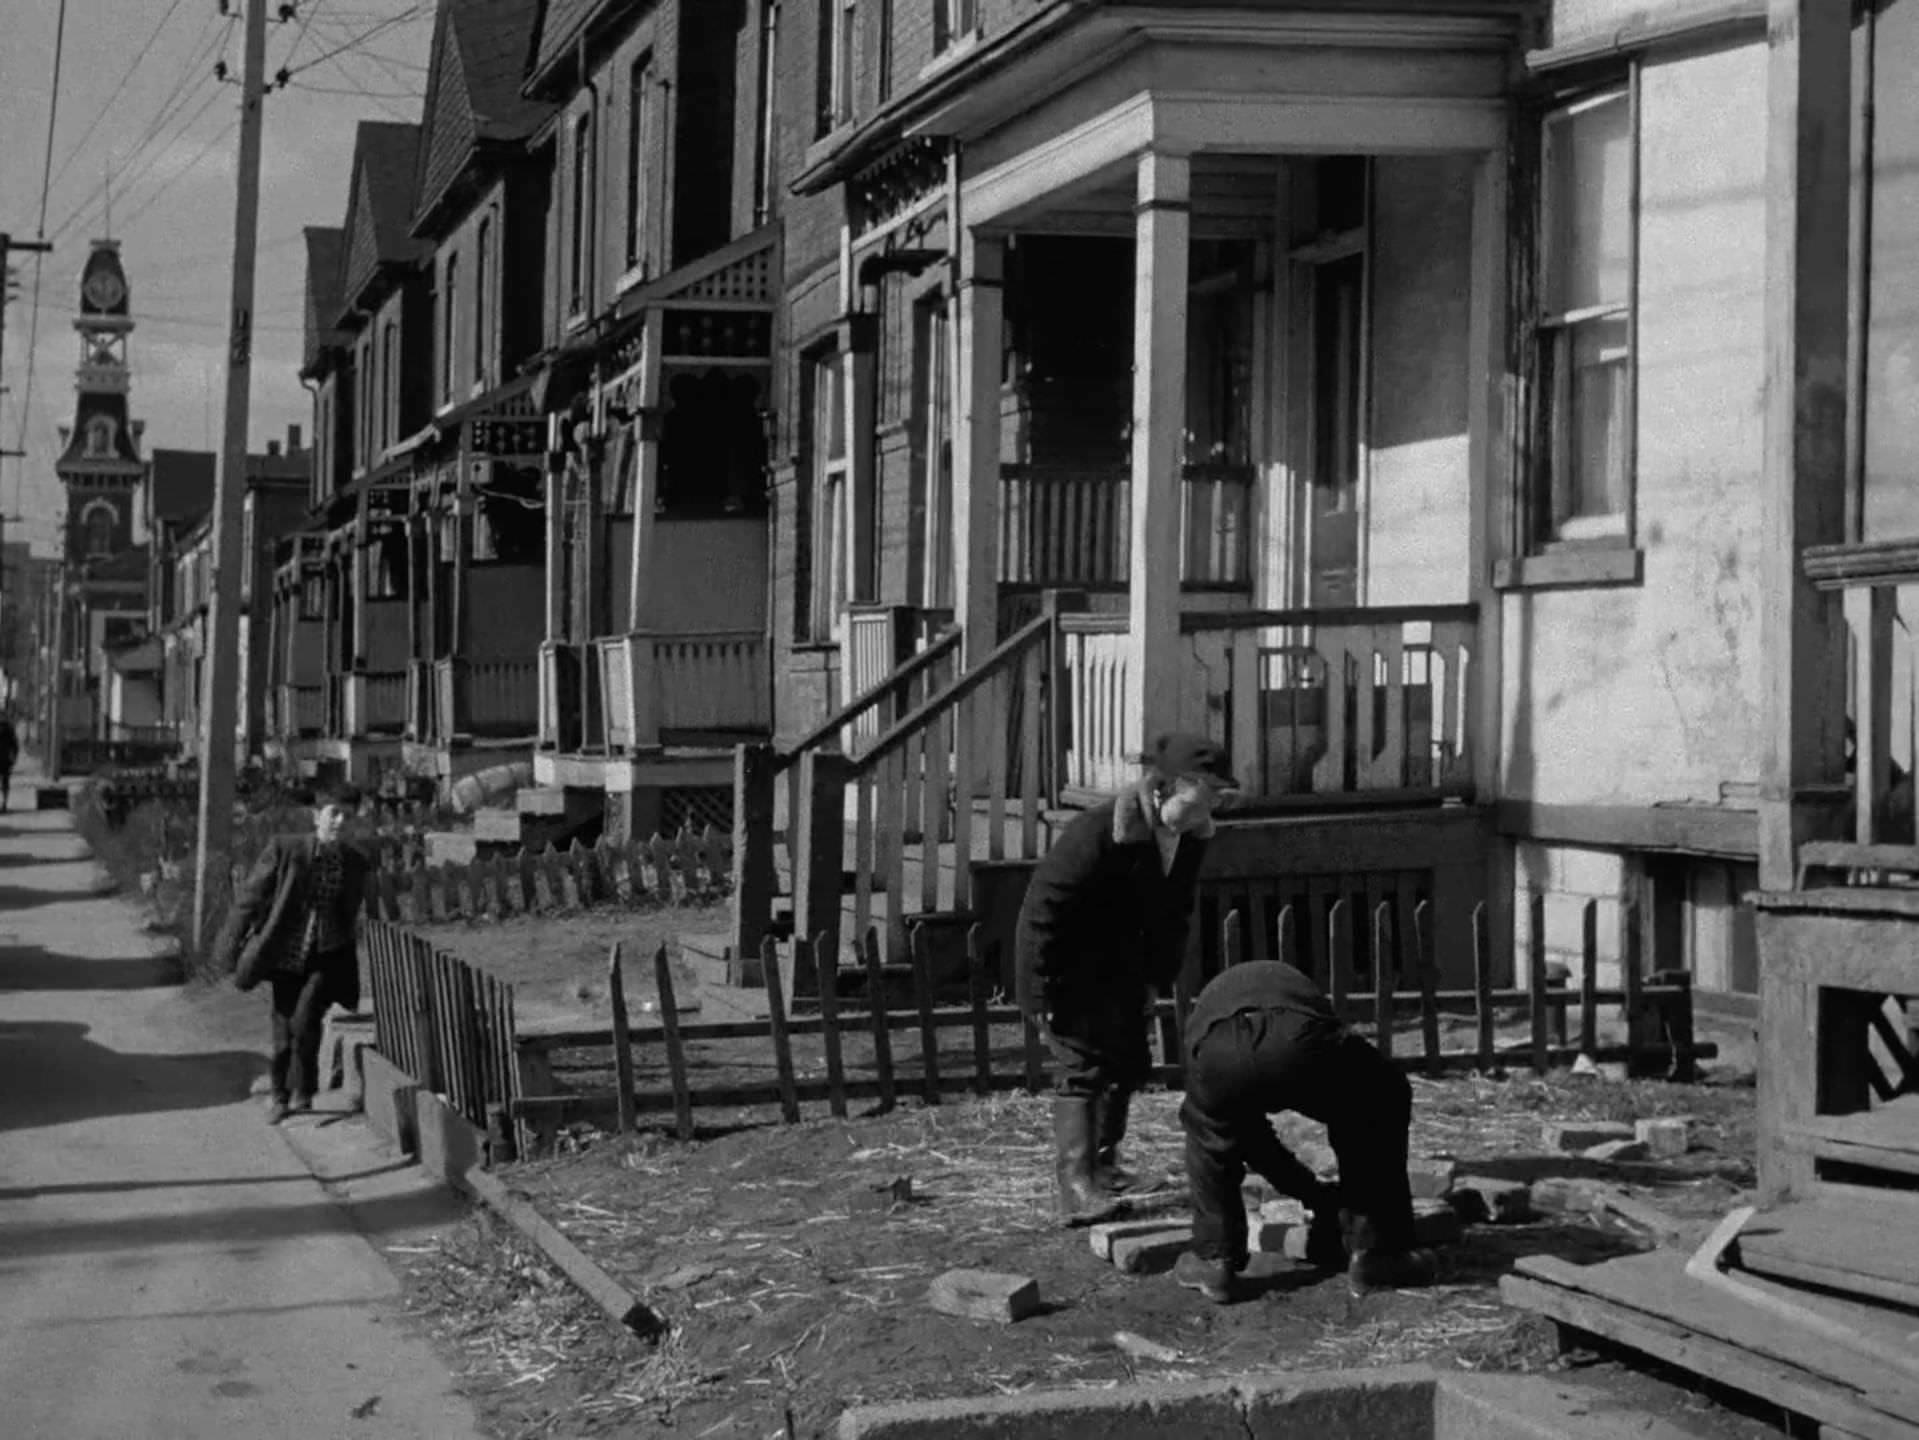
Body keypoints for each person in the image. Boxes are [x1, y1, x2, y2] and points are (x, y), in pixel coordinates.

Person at [1015, 732, 1237, 1226]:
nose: (1210, 805)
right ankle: (1074, 1187)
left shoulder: (1189, 837)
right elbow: (1042, 908)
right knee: (1084, 1068)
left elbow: (1173, 913)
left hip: (1122, 971)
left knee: (1128, 1065)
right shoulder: (1099, 832)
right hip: (1070, 970)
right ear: (1167, 785)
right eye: (1204, 791)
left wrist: (1156, 976)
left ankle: (1104, 1168)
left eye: (1217, 796)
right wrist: (1035, 989)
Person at [1173, 958, 1439, 1304]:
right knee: (1379, 1098)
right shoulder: (1293, 987)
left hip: (1217, 1054)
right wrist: (1314, 1194)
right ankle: (1377, 1252)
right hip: (1299, 1037)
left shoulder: (1205, 1014)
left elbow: (1250, 1140)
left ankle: (1214, 1261)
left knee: (1207, 1135)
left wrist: (1310, 1193)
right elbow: (1344, 1102)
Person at [216, 782, 371, 1123]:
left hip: (325, 954)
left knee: (305, 1019)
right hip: (285, 955)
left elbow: (354, 911)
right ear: (317, 816)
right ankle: (282, 1094)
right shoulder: (287, 851)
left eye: (347, 816)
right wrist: (229, 947)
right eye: (333, 814)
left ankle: (303, 1089)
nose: (340, 823)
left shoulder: (355, 862)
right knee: (284, 1030)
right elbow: (250, 898)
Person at [0, 712, 17, 812]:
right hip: (6, 759)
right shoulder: (9, 728)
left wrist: (14, 757)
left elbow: (14, 745)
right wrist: (14, 757)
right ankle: (4, 804)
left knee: (5, 782)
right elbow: (15, 745)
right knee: (5, 782)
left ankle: (4, 803)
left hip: (5, 759)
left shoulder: (9, 729)